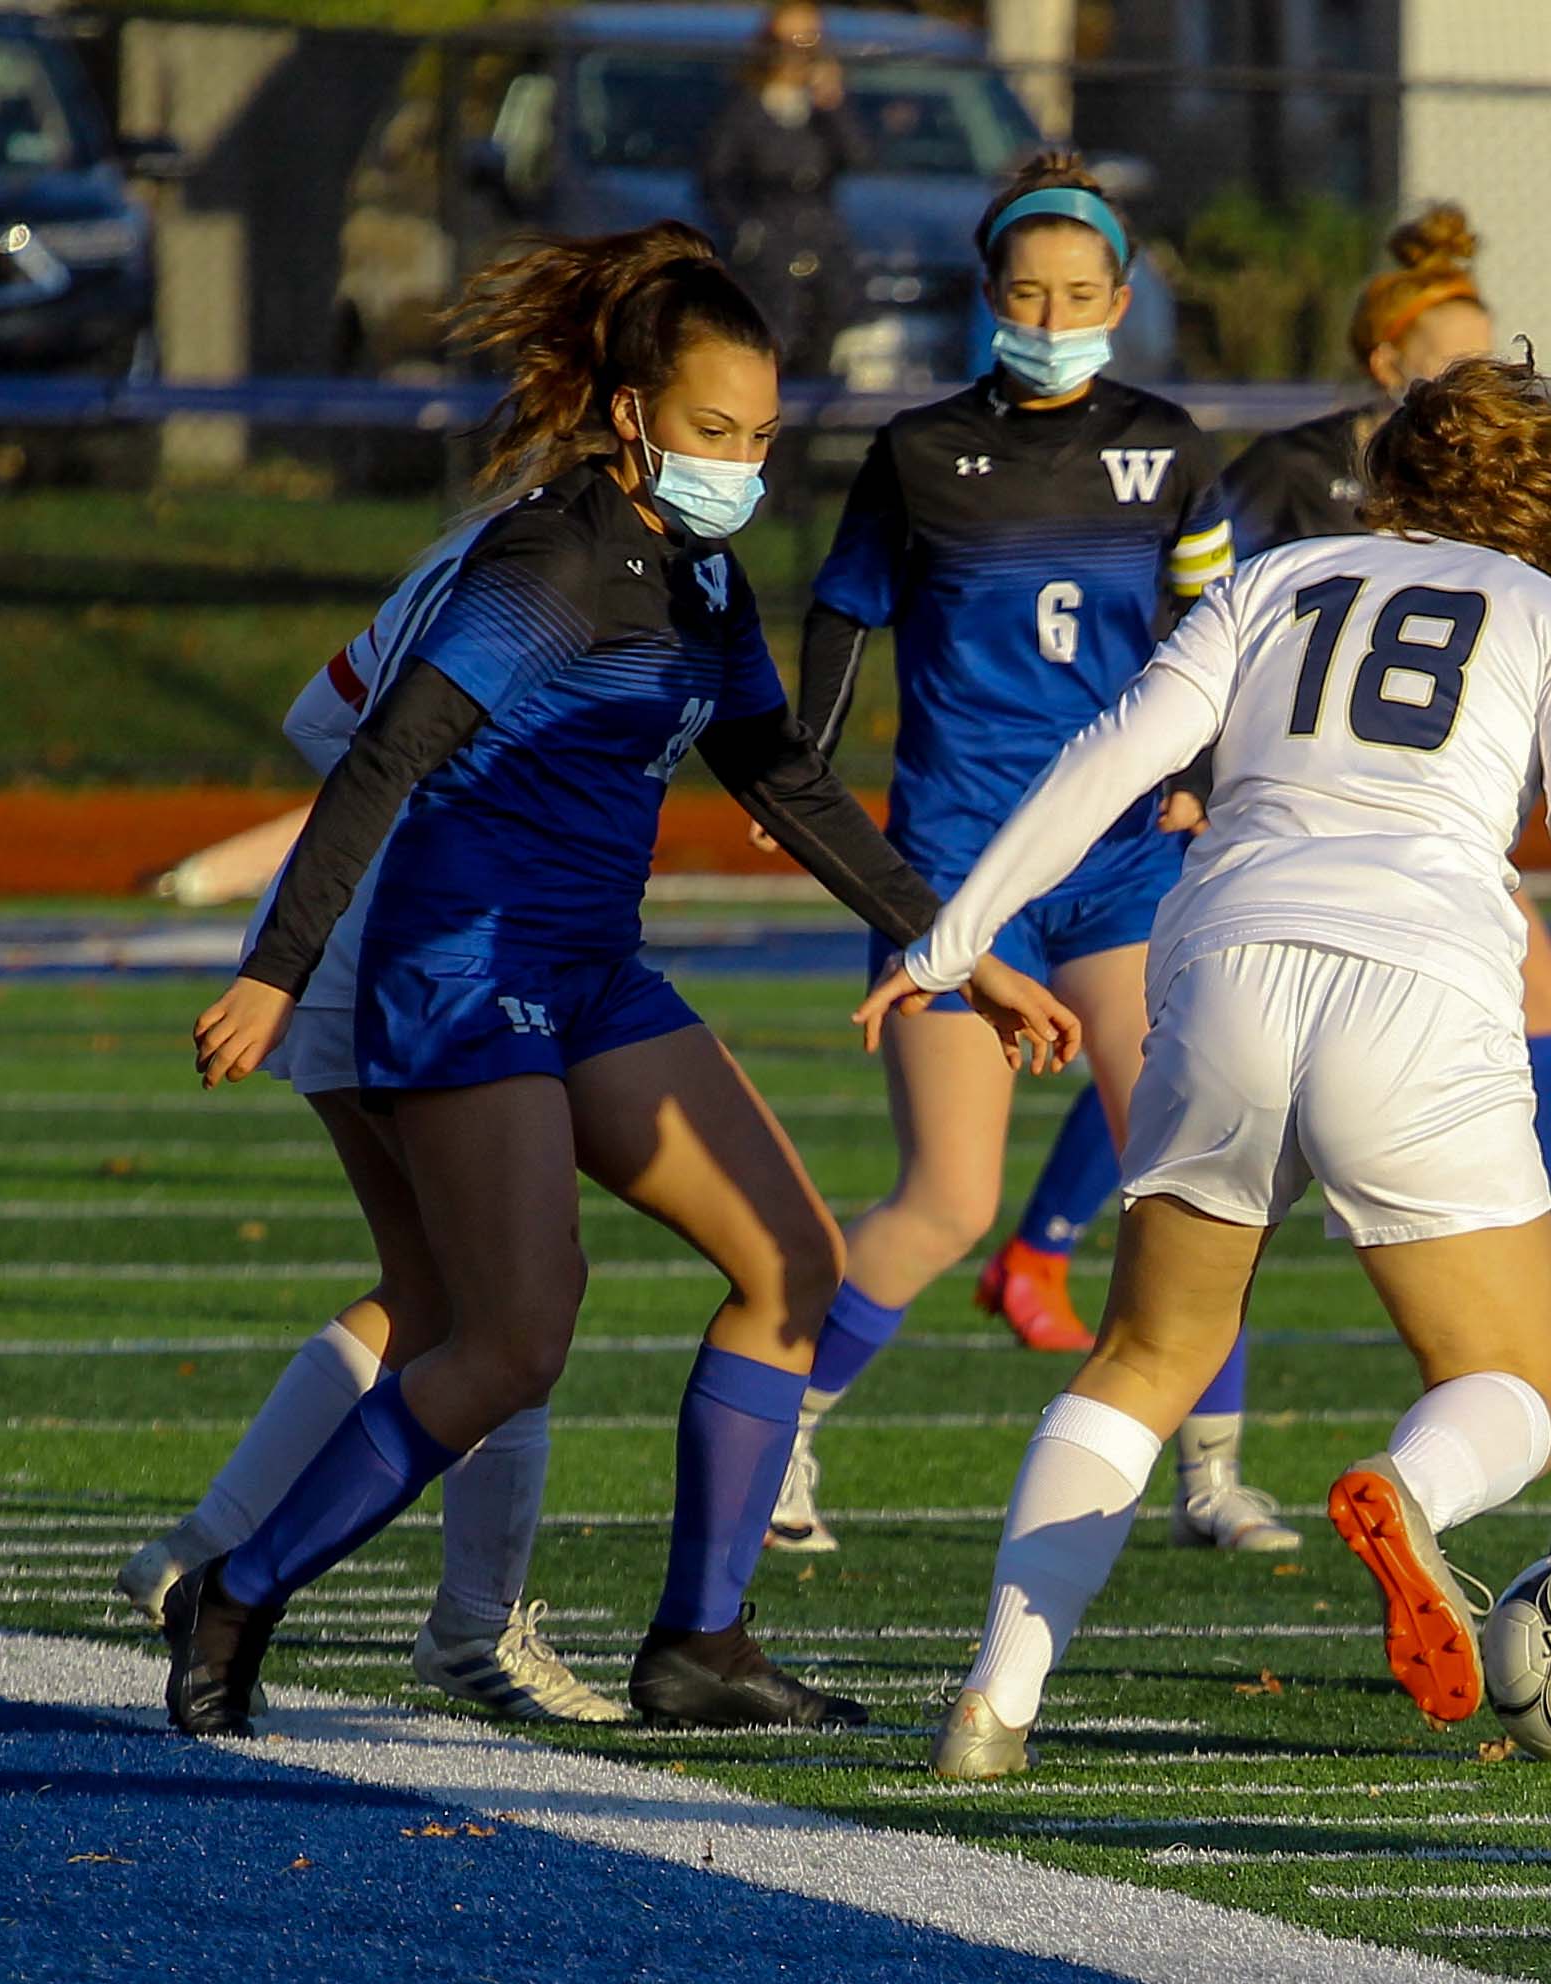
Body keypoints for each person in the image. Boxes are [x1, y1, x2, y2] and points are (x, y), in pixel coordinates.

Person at [163, 221, 1074, 1740]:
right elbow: (388, 755)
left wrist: (956, 948)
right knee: (512, 1338)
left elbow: (783, 783)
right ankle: (237, 1591)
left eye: (766, 435)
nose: (745, 461)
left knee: (793, 1268)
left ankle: (701, 1644)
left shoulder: (701, 581)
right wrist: (274, 973)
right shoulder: (552, 554)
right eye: (716, 431)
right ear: (637, 415)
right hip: (466, 967)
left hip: (590, 969)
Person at [859, 353, 1551, 1780]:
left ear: (1391, 474)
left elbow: (1107, 756)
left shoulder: (1274, 580)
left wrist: (952, 938)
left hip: (1225, 968)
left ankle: (995, 1700)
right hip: (1421, 987)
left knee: (1145, 1355)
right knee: (1509, 1378)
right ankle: (1406, 1487)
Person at [975, 205, 1551, 1352]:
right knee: (1168, 1031)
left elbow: (1495, 647)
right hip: (1289, 803)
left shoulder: (1477, 507)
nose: (1480, 386)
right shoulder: (1300, 475)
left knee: (1512, 992)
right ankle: (1046, 1237)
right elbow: (1210, 604)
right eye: (1453, 366)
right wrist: (1203, 761)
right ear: (1385, 367)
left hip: (1409, 812)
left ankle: (1519, 1231)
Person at [776, 151, 1288, 1558]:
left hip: (1123, 870)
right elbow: (841, 616)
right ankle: (784, 1440)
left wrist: (1201, 779)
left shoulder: (1170, 450)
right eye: (1024, 290)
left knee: (1185, 1165)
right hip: (952, 867)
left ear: (1120, 297)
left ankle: (1213, 1473)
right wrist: (801, 770)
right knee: (950, 1196)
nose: (1050, 313)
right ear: (986, 297)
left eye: (1078, 292)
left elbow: (1224, 634)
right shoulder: (919, 452)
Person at [116, 541, 622, 1724]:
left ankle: (206, 1547)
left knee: (438, 1286)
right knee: (514, 1286)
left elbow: (318, 716)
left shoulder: (475, 545)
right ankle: (471, 1622)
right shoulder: (583, 559)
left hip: (346, 914)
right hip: (420, 927)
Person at [701, 1, 860, 379]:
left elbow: (856, 157)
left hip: (821, 250)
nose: (797, 54)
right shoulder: (746, 110)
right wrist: (747, 233)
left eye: (808, 41)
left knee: (822, 352)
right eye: (786, 41)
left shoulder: (821, 112)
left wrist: (831, 105)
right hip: (768, 257)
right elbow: (715, 178)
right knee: (771, 350)